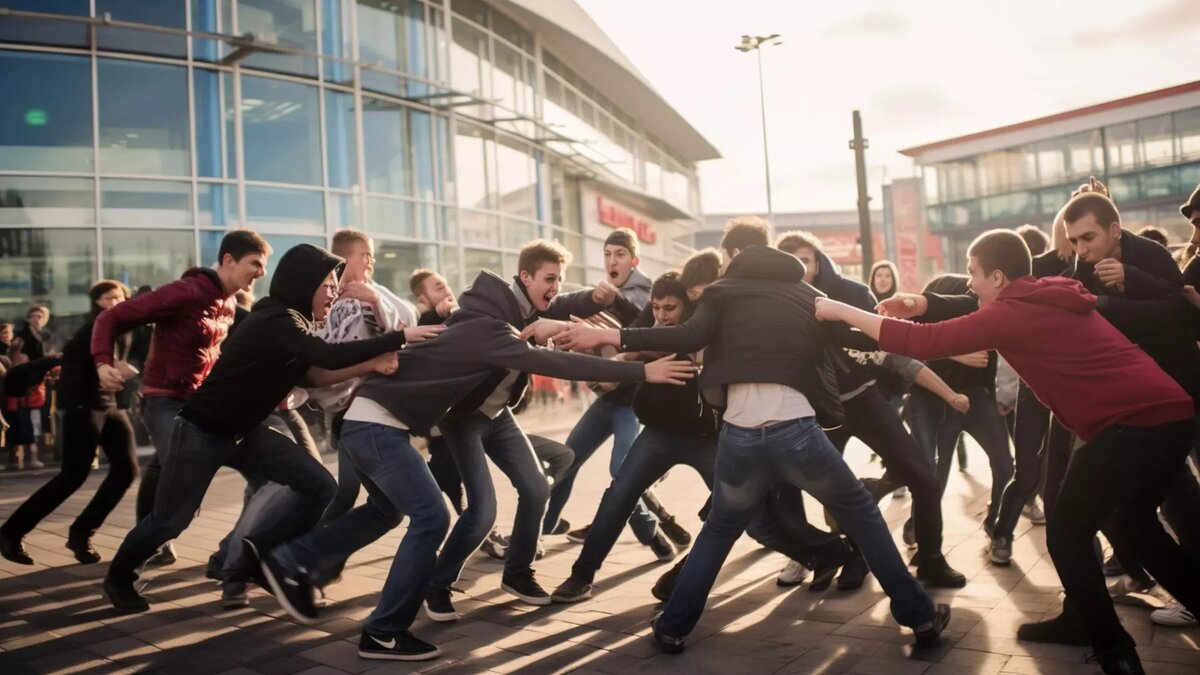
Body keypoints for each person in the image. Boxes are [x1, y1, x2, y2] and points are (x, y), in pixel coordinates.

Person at [256, 260, 695, 662]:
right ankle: (384, 631)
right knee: (430, 518)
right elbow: (552, 362)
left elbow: (548, 331)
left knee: (384, 512)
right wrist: (642, 371)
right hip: (376, 427)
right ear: (517, 295)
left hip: (368, 422)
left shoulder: (480, 318)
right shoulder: (489, 330)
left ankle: (292, 558)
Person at [554, 216, 949, 653]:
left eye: (727, 257)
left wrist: (604, 334)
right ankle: (920, 616)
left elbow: (685, 334)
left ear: (736, 257)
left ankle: (673, 626)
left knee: (719, 530)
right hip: (796, 433)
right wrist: (904, 323)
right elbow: (861, 337)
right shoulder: (805, 292)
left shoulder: (723, 294)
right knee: (860, 514)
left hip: (740, 437)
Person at [820, 228, 1198, 675]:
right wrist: (922, 304)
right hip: (1171, 414)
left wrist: (834, 308)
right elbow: (967, 312)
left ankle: (1115, 652)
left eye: (973, 273)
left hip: (1131, 422)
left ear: (998, 277)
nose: (969, 283)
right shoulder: (1045, 293)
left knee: (1067, 533)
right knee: (1135, 524)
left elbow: (926, 343)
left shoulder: (1012, 313)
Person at [102, 243, 409, 614]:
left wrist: (372, 365)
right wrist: (400, 337)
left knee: (319, 486)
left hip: (244, 433)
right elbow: (326, 357)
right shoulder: (275, 319)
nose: (334, 292)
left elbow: (313, 375)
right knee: (171, 521)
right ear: (304, 282)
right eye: (329, 284)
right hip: (202, 430)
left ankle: (258, 555)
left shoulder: (295, 324)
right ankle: (118, 577)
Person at [548, 270, 853, 604]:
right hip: (659, 434)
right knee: (618, 494)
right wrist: (619, 353)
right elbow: (631, 347)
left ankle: (830, 551)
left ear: (688, 307)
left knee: (754, 521)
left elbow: (685, 350)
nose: (662, 316)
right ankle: (581, 577)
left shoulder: (705, 328)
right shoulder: (652, 324)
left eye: (671, 308)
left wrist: (636, 351)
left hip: (710, 439)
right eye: (657, 307)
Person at [776, 231, 967, 589]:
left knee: (923, 477)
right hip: (819, 413)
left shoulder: (851, 292)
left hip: (864, 399)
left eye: (805, 259)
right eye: (791, 260)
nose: (800, 267)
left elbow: (885, 343)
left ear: (817, 262)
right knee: (830, 491)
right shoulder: (777, 304)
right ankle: (853, 558)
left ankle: (931, 559)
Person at [91, 229, 271, 567]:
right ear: (228, 260)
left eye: (263, 266)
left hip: (197, 403)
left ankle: (154, 542)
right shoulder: (186, 291)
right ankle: (131, 562)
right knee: (184, 485)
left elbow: (212, 356)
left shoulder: (229, 303)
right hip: (164, 401)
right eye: (255, 264)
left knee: (165, 471)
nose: (261, 272)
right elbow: (111, 317)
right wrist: (103, 363)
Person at [543, 228, 682, 559]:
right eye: (607, 254)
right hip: (606, 398)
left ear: (634, 260)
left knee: (621, 471)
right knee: (565, 460)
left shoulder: (646, 293)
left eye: (619, 254)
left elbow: (645, 334)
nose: (611, 260)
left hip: (631, 401)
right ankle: (537, 532)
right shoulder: (603, 293)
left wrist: (605, 322)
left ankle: (653, 535)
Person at [0, 282, 136, 565]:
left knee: (126, 470)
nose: (116, 302)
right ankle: (11, 532)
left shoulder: (122, 327)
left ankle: (81, 532)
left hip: (108, 404)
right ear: (97, 302)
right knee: (73, 475)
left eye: (121, 297)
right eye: (109, 298)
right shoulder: (94, 327)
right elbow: (75, 363)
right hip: (82, 405)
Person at [6, 305, 53, 470]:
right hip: (24, 382)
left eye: (39, 316)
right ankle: (19, 456)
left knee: (38, 420)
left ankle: (34, 455)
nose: (36, 319)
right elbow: (17, 357)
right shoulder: (22, 336)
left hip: (40, 383)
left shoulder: (46, 336)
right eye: (32, 316)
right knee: (21, 419)